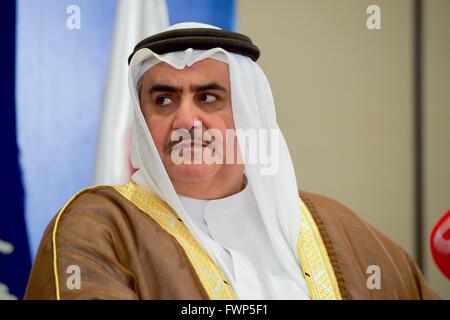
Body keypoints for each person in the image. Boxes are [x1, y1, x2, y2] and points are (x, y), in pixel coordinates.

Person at [24, 22, 438, 300]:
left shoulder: (348, 234)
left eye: (208, 97)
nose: (186, 120)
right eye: (164, 99)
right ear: (143, 121)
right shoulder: (98, 228)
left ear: (249, 111)